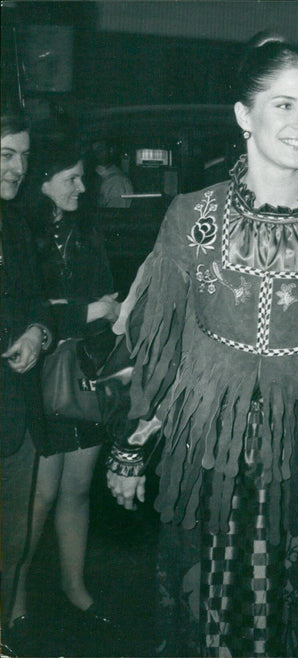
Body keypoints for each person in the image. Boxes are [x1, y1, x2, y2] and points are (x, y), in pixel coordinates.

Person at [106, 35, 298, 657]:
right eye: (285, 105)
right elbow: (160, 350)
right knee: (206, 614)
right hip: (206, 456)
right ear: (244, 115)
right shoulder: (191, 217)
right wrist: (131, 447)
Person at [8, 136, 120, 635]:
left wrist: (112, 311)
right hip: (41, 379)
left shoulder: (87, 230)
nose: (82, 186)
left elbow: (105, 294)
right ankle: (15, 591)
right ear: (44, 184)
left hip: (85, 375)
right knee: (39, 497)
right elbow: (23, 309)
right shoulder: (19, 229)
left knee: (77, 490)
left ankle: (75, 589)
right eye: (70, 178)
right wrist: (83, 312)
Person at [0, 110, 53, 653]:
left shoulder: (14, 222)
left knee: (9, 545)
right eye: (7, 154)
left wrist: (38, 332)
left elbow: (38, 302)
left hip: (15, 417)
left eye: (24, 156)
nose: (20, 168)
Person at [90, 139, 133, 208]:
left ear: (111, 150)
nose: (97, 154)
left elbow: (115, 212)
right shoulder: (93, 175)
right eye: (93, 152)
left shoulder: (117, 180)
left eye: (100, 150)